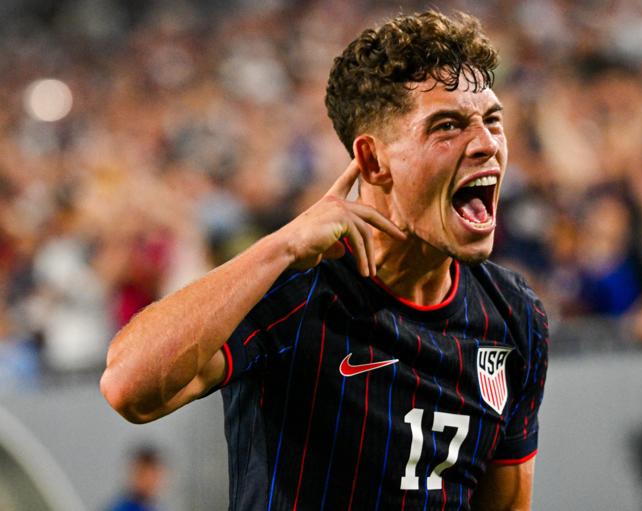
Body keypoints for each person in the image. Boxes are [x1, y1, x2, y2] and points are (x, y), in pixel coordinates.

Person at [100, 11, 549, 511]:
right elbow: (127, 386)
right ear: (373, 161)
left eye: (492, 121)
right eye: (447, 127)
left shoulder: (514, 315)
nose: (487, 144)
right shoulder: (292, 287)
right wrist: (280, 247)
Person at [107, 445, 167, 511]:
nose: (149, 481)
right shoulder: (122, 508)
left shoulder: (153, 507)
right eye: (143, 474)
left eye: (154, 475)